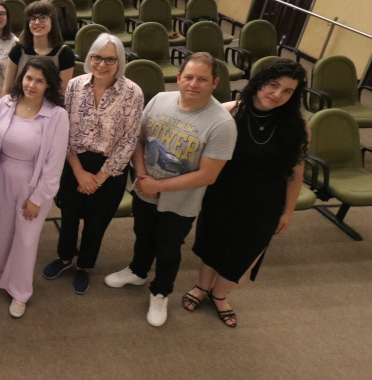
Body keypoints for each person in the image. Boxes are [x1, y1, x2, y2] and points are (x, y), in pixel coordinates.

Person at [104, 52, 237, 328]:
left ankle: (160, 292)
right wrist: (141, 175)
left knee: (168, 249)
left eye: (202, 79)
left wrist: (158, 186)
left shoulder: (222, 124)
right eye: (188, 77)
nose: (193, 84)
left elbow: (208, 175)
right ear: (178, 78)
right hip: (144, 188)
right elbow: (138, 141)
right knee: (142, 234)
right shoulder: (159, 101)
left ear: (214, 82)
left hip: (180, 203)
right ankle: (138, 271)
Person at [185, 59, 308, 327]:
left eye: (288, 91)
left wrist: (288, 212)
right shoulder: (229, 112)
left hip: (265, 203)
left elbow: (296, 174)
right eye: (273, 85)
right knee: (212, 246)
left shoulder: (297, 126)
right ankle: (201, 288)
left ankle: (220, 295)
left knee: (244, 252)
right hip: (222, 196)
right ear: (259, 82)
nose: (277, 94)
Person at [42, 34, 144, 294]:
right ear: (89, 58)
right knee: (69, 216)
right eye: (97, 57)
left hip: (109, 170)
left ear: (119, 61)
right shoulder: (75, 85)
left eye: (110, 59)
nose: (102, 64)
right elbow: (62, 131)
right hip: (74, 162)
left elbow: (130, 140)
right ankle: (65, 258)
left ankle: (84, 266)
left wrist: (98, 178)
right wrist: (79, 172)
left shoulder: (133, 93)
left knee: (96, 224)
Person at [0, 57, 69, 318]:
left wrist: (38, 197)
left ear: (49, 85)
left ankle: (20, 291)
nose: (31, 84)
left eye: (39, 80)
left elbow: (55, 162)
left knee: (26, 239)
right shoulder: (5, 104)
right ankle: (1, 271)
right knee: (3, 229)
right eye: (28, 77)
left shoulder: (57, 115)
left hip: (33, 183)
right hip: (3, 176)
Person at [1, 0, 74, 96]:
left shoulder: (65, 53)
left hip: (51, 108)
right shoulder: (17, 50)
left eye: (43, 17)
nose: (37, 22)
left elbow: (63, 93)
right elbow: (7, 89)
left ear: (53, 21)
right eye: (32, 18)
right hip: (19, 106)